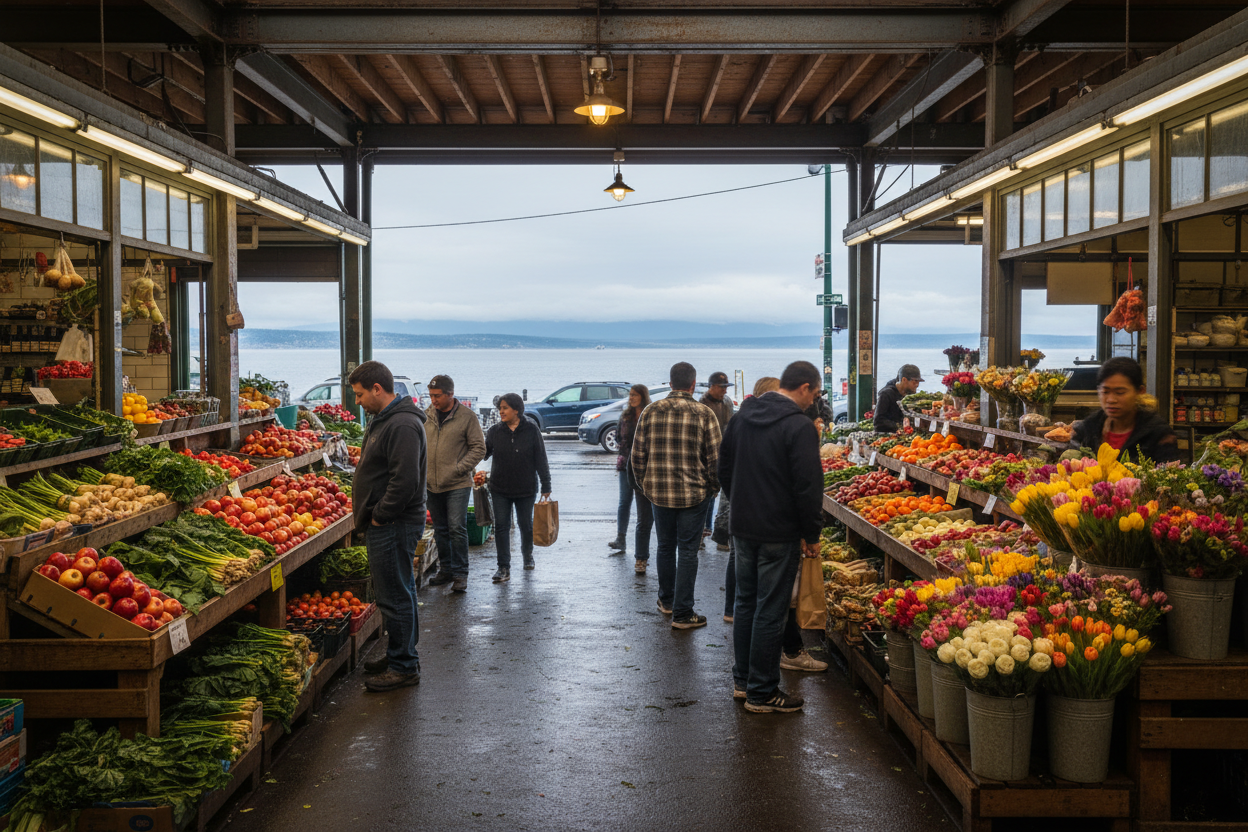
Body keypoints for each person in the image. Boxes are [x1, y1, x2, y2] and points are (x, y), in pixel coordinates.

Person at [719, 360, 824, 713]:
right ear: (805, 387)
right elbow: (808, 486)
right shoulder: (799, 426)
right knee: (771, 609)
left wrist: (742, 502)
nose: (814, 401)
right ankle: (763, 692)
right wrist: (812, 533)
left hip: (743, 526)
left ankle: (743, 682)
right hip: (779, 530)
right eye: (816, 393)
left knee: (746, 604)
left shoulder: (742, 416)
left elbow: (724, 468)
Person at [349, 360, 428, 692]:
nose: (357, 401)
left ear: (377, 389)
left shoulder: (403, 426)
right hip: (390, 522)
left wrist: (380, 514)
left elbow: (405, 480)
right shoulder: (386, 420)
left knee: (394, 595)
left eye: (359, 394)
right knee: (400, 591)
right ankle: (400, 653)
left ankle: (404, 667)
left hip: (394, 524)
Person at [631, 361, 722, 630]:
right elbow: (715, 461)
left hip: (659, 494)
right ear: (693, 384)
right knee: (688, 552)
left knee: (665, 547)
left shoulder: (650, 411)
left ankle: (667, 601)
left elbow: (637, 458)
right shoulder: (705, 414)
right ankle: (683, 613)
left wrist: (646, 487)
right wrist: (712, 489)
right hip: (695, 496)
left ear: (670, 383)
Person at [424, 375, 488, 593]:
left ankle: (461, 574)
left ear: (450, 394)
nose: (433, 400)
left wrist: (459, 468)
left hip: (457, 484)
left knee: (456, 528)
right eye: (431, 396)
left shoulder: (467, 417)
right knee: (440, 529)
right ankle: (446, 570)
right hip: (431, 483)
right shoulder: (427, 415)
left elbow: (479, 448)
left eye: (437, 396)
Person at [483, 393, 551, 583]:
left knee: (525, 525)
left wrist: (546, 484)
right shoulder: (495, 431)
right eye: (500, 408)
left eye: (504, 408)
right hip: (499, 488)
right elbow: (484, 452)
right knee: (501, 527)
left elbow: (541, 458)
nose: (501, 411)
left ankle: (528, 555)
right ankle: (503, 567)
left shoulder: (531, 429)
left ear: (516, 410)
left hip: (525, 488)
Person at [1072, 357, 1181, 463]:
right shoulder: (1089, 428)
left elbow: (1169, 477)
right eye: (1105, 392)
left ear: (1140, 391)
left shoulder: (1158, 434)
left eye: (1120, 392)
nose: (1111, 400)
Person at [609, 384, 654, 575]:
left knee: (644, 506)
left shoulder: (649, 414)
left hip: (645, 465)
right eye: (630, 395)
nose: (631, 398)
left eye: (635, 395)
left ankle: (641, 547)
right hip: (625, 462)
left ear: (642, 396)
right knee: (624, 501)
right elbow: (619, 436)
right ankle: (621, 537)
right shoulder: (625, 416)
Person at [700, 372, 735, 548]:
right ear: (711, 386)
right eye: (722, 388)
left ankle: (719, 533)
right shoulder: (701, 404)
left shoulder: (727, 402)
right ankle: (702, 531)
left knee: (724, 495)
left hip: (725, 453)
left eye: (726, 388)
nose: (724, 391)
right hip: (706, 456)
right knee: (706, 495)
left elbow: (731, 426)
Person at [874, 364, 924, 433]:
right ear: (904, 380)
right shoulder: (886, 394)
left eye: (918, 382)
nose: (917, 385)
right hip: (888, 435)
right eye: (915, 381)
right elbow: (878, 421)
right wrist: (899, 426)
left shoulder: (910, 394)